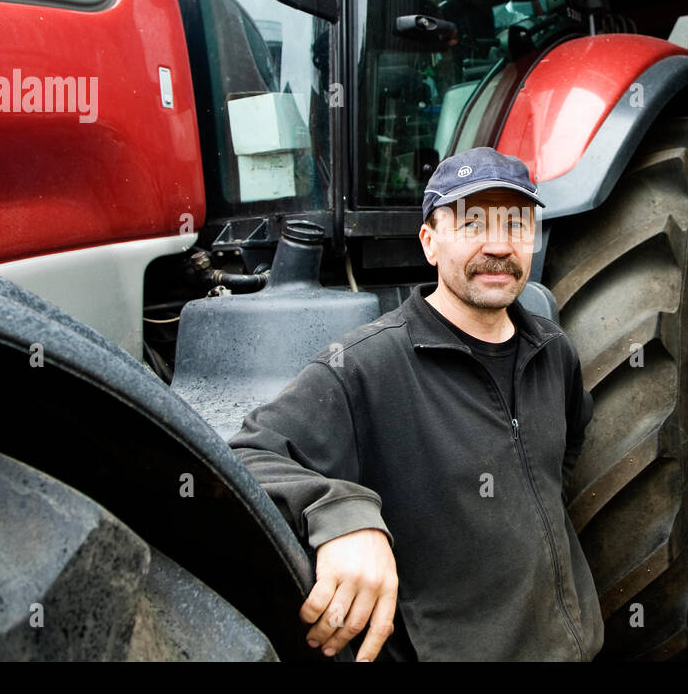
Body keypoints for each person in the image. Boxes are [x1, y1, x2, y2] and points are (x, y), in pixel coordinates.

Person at [228, 147, 603, 661]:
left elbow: (564, 455)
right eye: (473, 223)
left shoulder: (553, 351)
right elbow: (247, 456)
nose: (499, 244)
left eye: (516, 223)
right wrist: (344, 515)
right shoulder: (365, 366)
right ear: (430, 243)